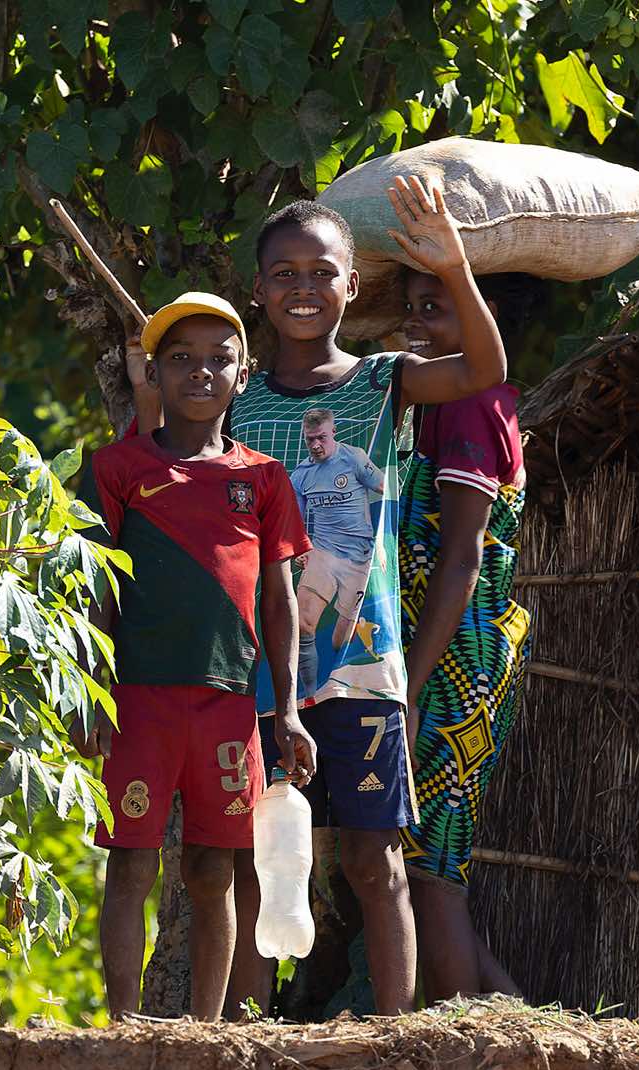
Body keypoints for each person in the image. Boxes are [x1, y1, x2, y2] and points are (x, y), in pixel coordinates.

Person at [128, 177, 507, 1016]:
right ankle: (247, 1037)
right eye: (284, 274)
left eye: (321, 272)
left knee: (375, 862)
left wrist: (454, 265)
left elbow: (486, 368)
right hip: (253, 669)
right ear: (258, 290)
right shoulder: (234, 393)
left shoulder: (383, 382)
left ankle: (394, 1043)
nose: (303, 287)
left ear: (350, 286)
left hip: (363, 664)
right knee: (257, 861)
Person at [70, 293, 316, 1022]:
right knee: (132, 863)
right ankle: (120, 1024)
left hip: (229, 704)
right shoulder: (114, 468)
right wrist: (92, 687)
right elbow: (98, 592)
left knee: (214, 869)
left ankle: (203, 1036)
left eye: (219, 358)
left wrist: (289, 713)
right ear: (152, 371)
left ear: (244, 374)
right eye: (180, 359)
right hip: (138, 700)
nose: (200, 372)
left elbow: (279, 604)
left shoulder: (264, 479)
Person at [398, 268, 535, 1003]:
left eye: (438, 309)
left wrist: (407, 689)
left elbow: (461, 556)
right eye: (411, 308)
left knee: (430, 874)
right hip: (449, 656)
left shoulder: (471, 405)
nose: (418, 323)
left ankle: (462, 1054)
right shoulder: (442, 405)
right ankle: (517, 1036)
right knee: (420, 869)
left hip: (455, 663)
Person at [291, 407, 385, 696]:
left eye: (321, 438)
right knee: (303, 623)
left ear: (334, 432)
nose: (316, 445)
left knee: (339, 641)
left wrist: (386, 542)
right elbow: (295, 522)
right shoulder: (301, 476)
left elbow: (387, 489)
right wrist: (301, 548)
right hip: (323, 552)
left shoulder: (354, 457)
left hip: (359, 558)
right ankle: (308, 695)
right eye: (310, 440)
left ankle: (338, 690)